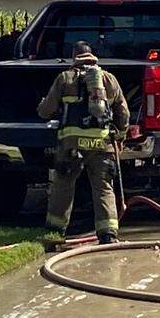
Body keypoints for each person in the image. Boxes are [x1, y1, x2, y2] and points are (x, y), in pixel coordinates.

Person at [37, 41, 130, 244]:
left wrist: (41, 107)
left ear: (74, 57)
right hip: (102, 145)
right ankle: (108, 234)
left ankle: (55, 232)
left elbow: (47, 110)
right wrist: (121, 135)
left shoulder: (65, 78)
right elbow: (123, 112)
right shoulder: (109, 79)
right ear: (92, 56)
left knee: (63, 185)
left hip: (71, 145)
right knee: (104, 187)